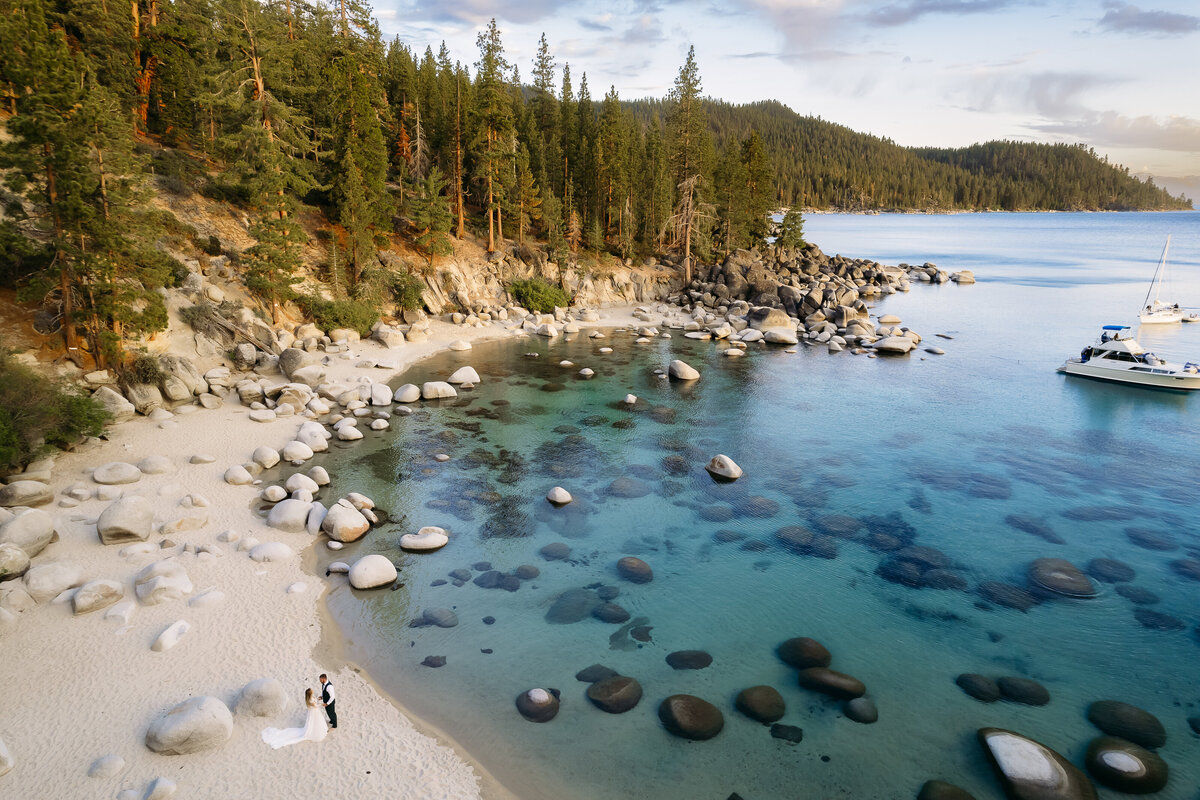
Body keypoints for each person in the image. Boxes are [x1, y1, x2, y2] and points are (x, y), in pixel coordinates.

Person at [261, 688, 328, 749]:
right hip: (314, 712)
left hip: (315, 712)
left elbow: (314, 700)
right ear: (310, 693)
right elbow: (315, 706)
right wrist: (322, 704)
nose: (312, 690)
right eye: (311, 691)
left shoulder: (311, 697)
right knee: (315, 722)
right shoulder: (310, 700)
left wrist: (318, 699)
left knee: (317, 722)